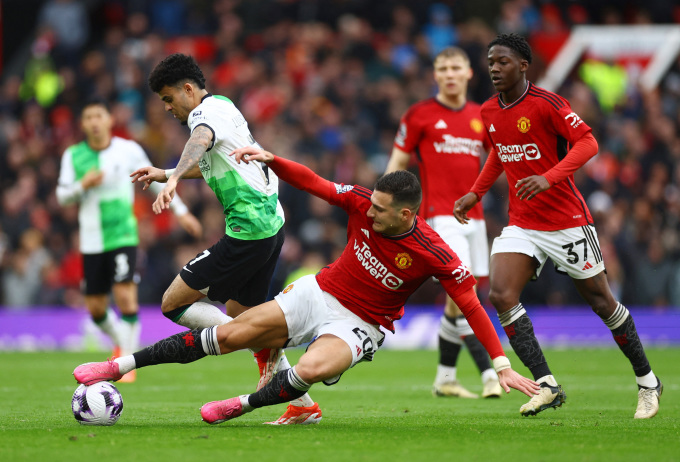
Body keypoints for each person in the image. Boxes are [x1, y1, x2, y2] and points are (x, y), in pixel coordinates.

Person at [73, 147, 540, 425]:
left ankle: (245, 404)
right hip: (319, 291)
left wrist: (500, 363)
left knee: (315, 366)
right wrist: (272, 158)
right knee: (233, 334)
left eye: (380, 209)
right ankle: (119, 367)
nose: (369, 212)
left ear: (406, 214)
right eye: (370, 204)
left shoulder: (434, 253)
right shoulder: (362, 202)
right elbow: (314, 183)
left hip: (362, 324)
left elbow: (471, 304)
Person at [454, 33, 662, 419]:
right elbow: (499, 153)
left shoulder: (548, 104)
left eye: (502, 62)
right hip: (523, 223)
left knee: (603, 303)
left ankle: (648, 381)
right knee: (500, 293)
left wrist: (548, 177)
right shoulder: (489, 111)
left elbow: (587, 142)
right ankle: (546, 384)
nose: (494, 68)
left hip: (567, 221)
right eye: (490, 62)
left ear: (523, 66)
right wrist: (475, 193)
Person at [129, 53, 319, 424]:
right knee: (240, 314)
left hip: (248, 233)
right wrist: (165, 172)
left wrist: (171, 180)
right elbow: (217, 162)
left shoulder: (202, 118)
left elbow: (200, 141)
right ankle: (302, 403)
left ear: (187, 89)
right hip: (269, 227)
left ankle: (235, 339)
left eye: (168, 98)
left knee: (173, 303)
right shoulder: (224, 106)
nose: (167, 107)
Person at [56, 98, 202, 383]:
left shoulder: (128, 150)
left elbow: (156, 181)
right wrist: (81, 186)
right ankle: (121, 341)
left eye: (99, 116)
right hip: (92, 241)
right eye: (89, 117)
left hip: (123, 235)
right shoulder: (73, 155)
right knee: (97, 309)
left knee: (125, 296)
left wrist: (181, 212)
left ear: (110, 121)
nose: (95, 122)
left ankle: (126, 361)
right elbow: (62, 196)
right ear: (83, 124)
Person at [386, 46, 501, 399]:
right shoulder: (418, 115)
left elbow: (500, 158)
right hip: (439, 217)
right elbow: (395, 168)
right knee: (463, 292)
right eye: (443, 68)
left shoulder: (482, 115)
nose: (450, 74)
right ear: (435, 75)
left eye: (456, 68)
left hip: (476, 221)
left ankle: (445, 378)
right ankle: (490, 372)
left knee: (463, 299)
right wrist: (388, 214)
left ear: (469, 73)